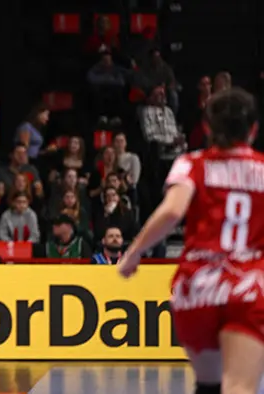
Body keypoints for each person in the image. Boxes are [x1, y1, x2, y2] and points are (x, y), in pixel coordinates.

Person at [118, 88, 264, 394]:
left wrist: (134, 253)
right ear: (253, 129)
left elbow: (172, 211)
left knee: (208, 386)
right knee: (238, 385)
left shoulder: (191, 163)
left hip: (196, 286)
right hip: (248, 286)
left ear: (208, 127)